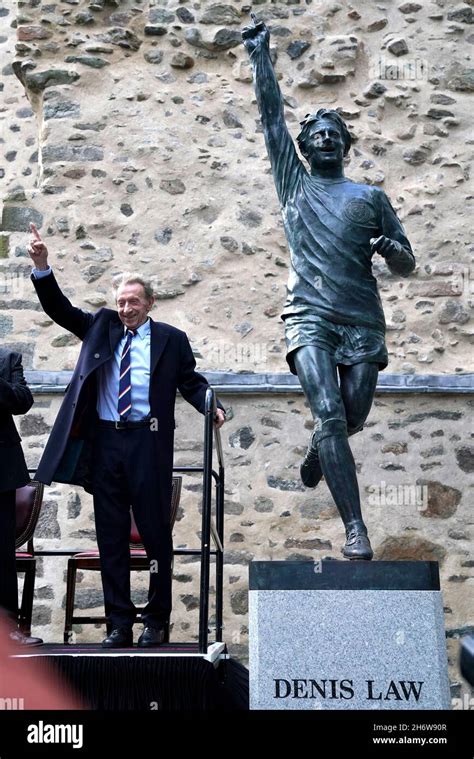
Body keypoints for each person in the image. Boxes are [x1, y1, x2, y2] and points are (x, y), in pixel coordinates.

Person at [242, 15, 415, 560]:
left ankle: (322, 447)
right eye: (314, 135)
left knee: (354, 411)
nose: (323, 139)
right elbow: (273, 120)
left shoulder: (370, 197)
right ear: (306, 147)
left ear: (344, 144)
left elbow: (407, 261)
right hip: (309, 315)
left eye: (332, 134)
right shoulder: (294, 186)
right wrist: (259, 59)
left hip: (361, 317)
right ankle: (356, 529)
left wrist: (393, 252)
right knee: (332, 413)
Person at [27, 223, 226, 648]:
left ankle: (156, 621)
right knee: (111, 535)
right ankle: (119, 623)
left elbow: (189, 381)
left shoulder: (171, 340)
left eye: (134, 301)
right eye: (121, 302)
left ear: (150, 302)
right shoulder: (101, 326)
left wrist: (212, 404)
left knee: (155, 535)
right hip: (106, 443)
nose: (126, 308)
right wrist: (43, 267)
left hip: (148, 443)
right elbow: (60, 311)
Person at [0, 346, 43, 645]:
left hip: (1, 470)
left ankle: (9, 631)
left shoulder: (8, 358)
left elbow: (22, 402)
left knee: (1, 554)